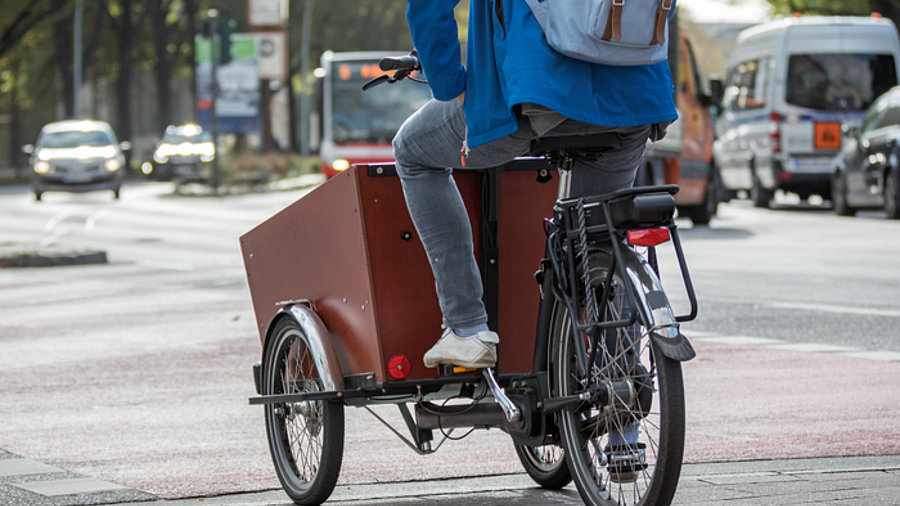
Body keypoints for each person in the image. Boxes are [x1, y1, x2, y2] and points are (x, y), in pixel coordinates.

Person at [394, 0, 677, 370]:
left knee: (412, 151)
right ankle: (617, 368)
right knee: (595, 235)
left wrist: (454, 87)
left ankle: (466, 327)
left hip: (535, 93)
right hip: (638, 99)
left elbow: (429, 8)